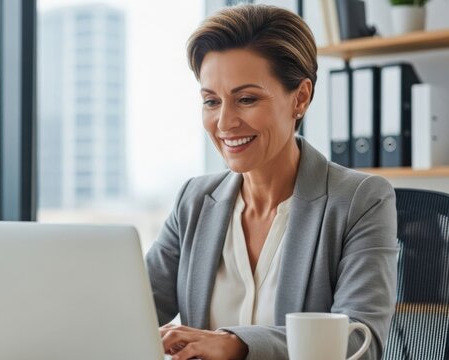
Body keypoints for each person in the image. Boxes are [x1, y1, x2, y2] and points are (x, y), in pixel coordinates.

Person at [145, 4, 398, 360]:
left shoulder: (360, 200)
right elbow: (131, 312)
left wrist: (236, 344)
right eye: (211, 101)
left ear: (301, 97)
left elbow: (361, 342)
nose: (224, 122)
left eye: (246, 99)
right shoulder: (195, 200)